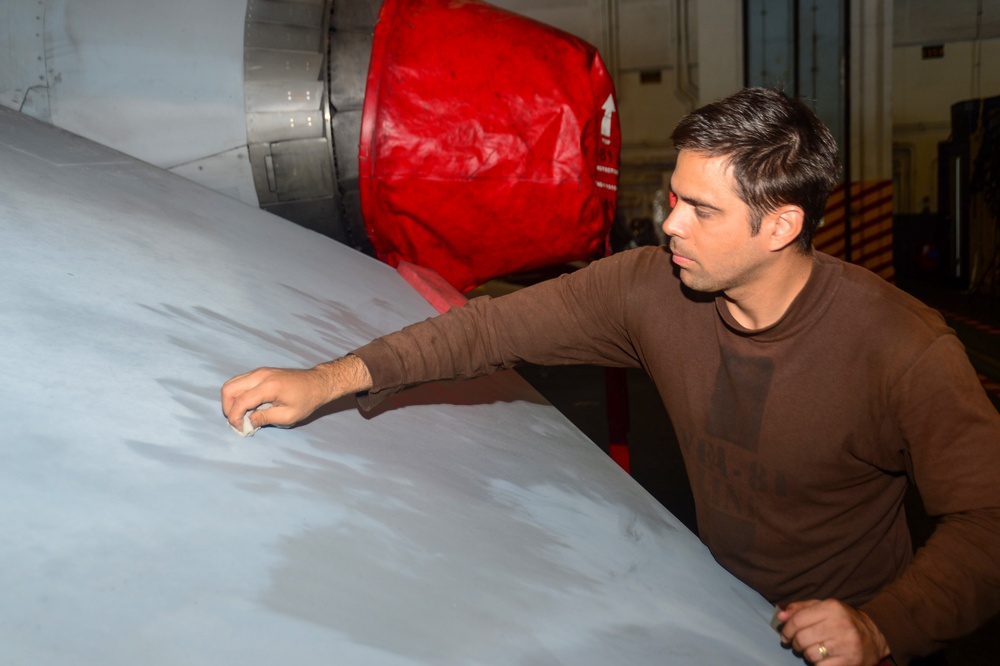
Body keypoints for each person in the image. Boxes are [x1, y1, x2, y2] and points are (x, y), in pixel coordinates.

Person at [222, 87, 1000, 666]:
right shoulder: (648, 288)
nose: (669, 224)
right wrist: (330, 380)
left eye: (701, 210)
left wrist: (879, 627)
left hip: (859, 633)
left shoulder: (900, 349)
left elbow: (989, 522)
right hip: (727, 610)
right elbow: (488, 329)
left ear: (782, 225)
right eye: (674, 198)